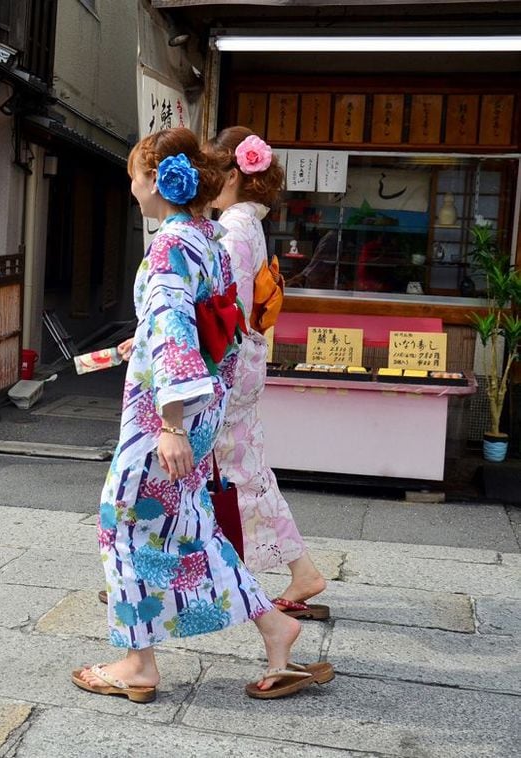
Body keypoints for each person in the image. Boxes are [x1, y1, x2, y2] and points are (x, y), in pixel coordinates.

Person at [71, 128, 333, 703]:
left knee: (122, 522)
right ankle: (275, 626)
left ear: (160, 181)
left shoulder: (169, 245)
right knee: (188, 526)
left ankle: (139, 663)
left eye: (136, 178)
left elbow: (173, 329)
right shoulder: (208, 239)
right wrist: (132, 357)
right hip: (200, 405)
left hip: (165, 416)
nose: (133, 189)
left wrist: (170, 422)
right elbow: (206, 328)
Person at [204, 127, 328, 619]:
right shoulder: (249, 224)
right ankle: (299, 571)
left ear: (233, 174)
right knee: (245, 473)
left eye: (213, 171)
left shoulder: (232, 230)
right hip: (247, 360)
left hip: (228, 366)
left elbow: (223, 308)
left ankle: (166, 580)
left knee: (217, 474)